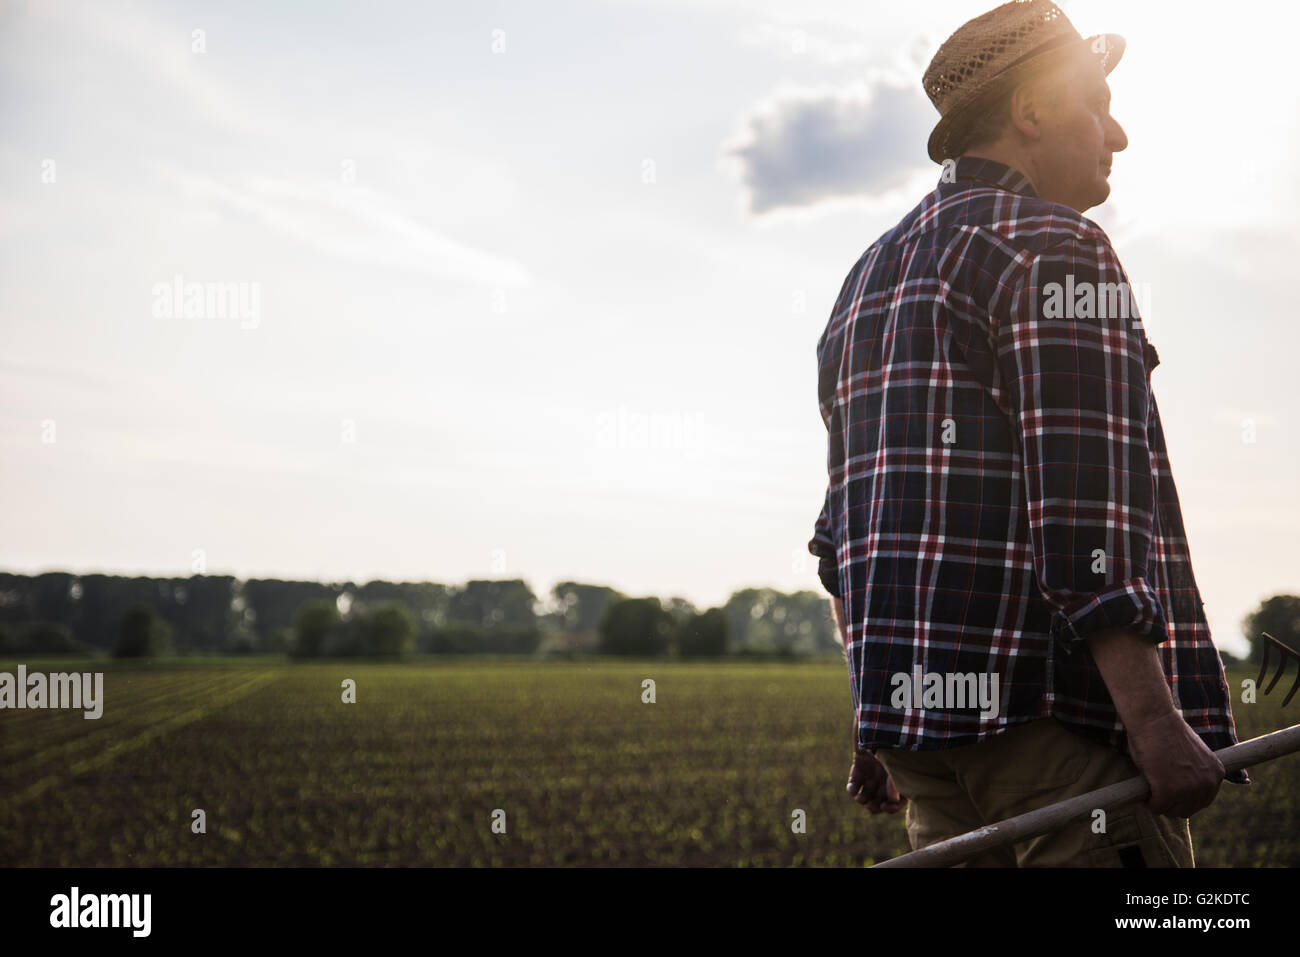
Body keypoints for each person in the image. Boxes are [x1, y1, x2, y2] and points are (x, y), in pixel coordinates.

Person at [807, 0, 1248, 867]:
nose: (1115, 134)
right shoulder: (1058, 249)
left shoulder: (868, 278)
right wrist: (1157, 726)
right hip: (1054, 729)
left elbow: (847, 531)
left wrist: (877, 719)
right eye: (1095, 104)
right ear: (1033, 110)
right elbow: (1085, 518)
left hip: (925, 742)